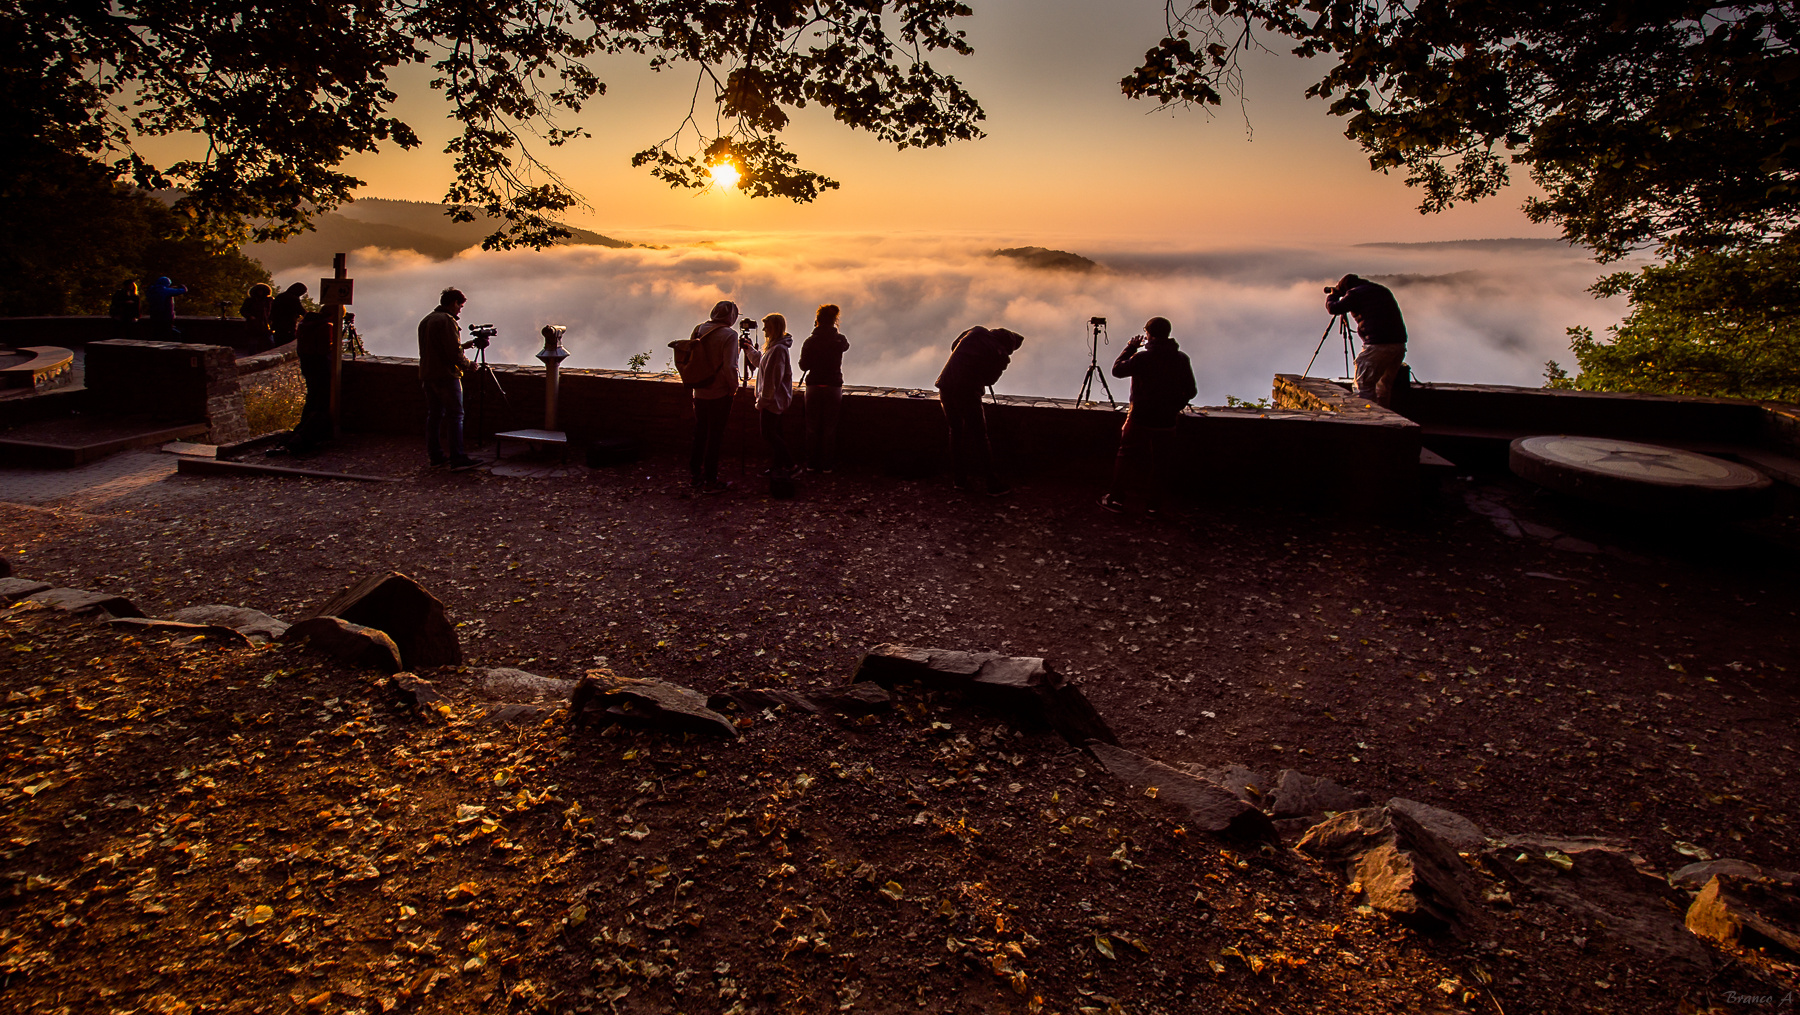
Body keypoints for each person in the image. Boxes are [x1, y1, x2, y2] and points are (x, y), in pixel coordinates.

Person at [1099, 317, 1197, 514]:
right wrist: (1174, 406)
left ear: (1149, 334)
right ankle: (1154, 505)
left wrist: (1130, 348)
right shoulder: (1181, 359)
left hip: (1139, 418)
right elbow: (1191, 390)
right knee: (1161, 462)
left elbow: (1117, 370)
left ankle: (1116, 499)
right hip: (1167, 420)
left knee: (1126, 455)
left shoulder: (1142, 358)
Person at [935, 326, 1025, 496]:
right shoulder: (1001, 355)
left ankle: (959, 481)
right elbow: (990, 380)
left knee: (955, 432)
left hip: (945, 385)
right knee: (980, 437)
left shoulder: (976, 331)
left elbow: (954, 345)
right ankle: (992, 482)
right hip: (968, 392)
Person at [687, 300, 754, 494]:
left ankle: (695, 474)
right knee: (715, 435)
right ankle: (710, 478)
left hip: (699, 390)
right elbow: (729, 366)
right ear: (730, 316)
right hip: (719, 393)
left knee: (700, 432)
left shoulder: (699, 329)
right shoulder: (730, 335)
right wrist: (733, 388)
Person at [418, 287, 479, 470]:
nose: (460, 309)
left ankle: (435, 455)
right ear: (453, 303)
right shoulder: (447, 321)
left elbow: (438, 347)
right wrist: (469, 365)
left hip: (428, 374)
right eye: (460, 305)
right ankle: (457, 457)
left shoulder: (426, 320)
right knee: (456, 416)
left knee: (435, 415)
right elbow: (452, 353)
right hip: (446, 376)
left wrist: (463, 346)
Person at [1325, 273, 1408, 407]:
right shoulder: (1381, 290)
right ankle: (1384, 418)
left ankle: (1367, 419)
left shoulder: (1355, 294)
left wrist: (1333, 295)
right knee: (1383, 385)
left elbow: (1334, 308)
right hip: (1398, 344)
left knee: (1363, 385)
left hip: (1377, 345)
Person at [799, 303, 849, 472]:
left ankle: (812, 463)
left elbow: (803, 366)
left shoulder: (810, 341)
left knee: (812, 426)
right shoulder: (839, 340)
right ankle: (827, 464)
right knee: (830, 427)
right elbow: (846, 346)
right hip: (833, 385)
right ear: (834, 320)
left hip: (814, 385)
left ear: (817, 320)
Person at [754, 312, 795, 477]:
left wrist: (763, 401)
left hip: (772, 401)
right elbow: (763, 364)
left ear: (774, 328)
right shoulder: (775, 347)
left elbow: (772, 379)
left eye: (767, 326)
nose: (764, 330)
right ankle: (778, 467)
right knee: (777, 433)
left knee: (768, 433)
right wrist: (750, 350)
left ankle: (791, 465)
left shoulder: (777, 349)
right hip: (774, 400)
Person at [291, 310, 335, 451]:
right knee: (322, 399)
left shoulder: (304, 324)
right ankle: (313, 430)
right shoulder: (325, 326)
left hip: (307, 364)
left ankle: (304, 426)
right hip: (321, 366)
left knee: (311, 397)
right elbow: (324, 349)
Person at [145, 276, 187, 340]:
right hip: (166, 316)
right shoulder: (165, 291)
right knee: (166, 333)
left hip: (154, 315)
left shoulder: (151, 290)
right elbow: (182, 290)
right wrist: (182, 286)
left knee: (156, 332)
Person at [271, 282, 308, 347]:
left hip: (277, 325)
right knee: (286, 344)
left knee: (278, 343)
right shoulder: (293, 299)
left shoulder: (280, 296)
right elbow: (301, 311)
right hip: (288, 325)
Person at [240, 283, 274, 352]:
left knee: (271, 342)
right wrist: (250, 316)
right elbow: (243, 311)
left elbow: (273, 311)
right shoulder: (250, 301)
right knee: (253, 343)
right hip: (253, 325)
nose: (260, 292)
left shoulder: (268, 301)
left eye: (261, 291)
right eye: (259, 291)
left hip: (265, 324)